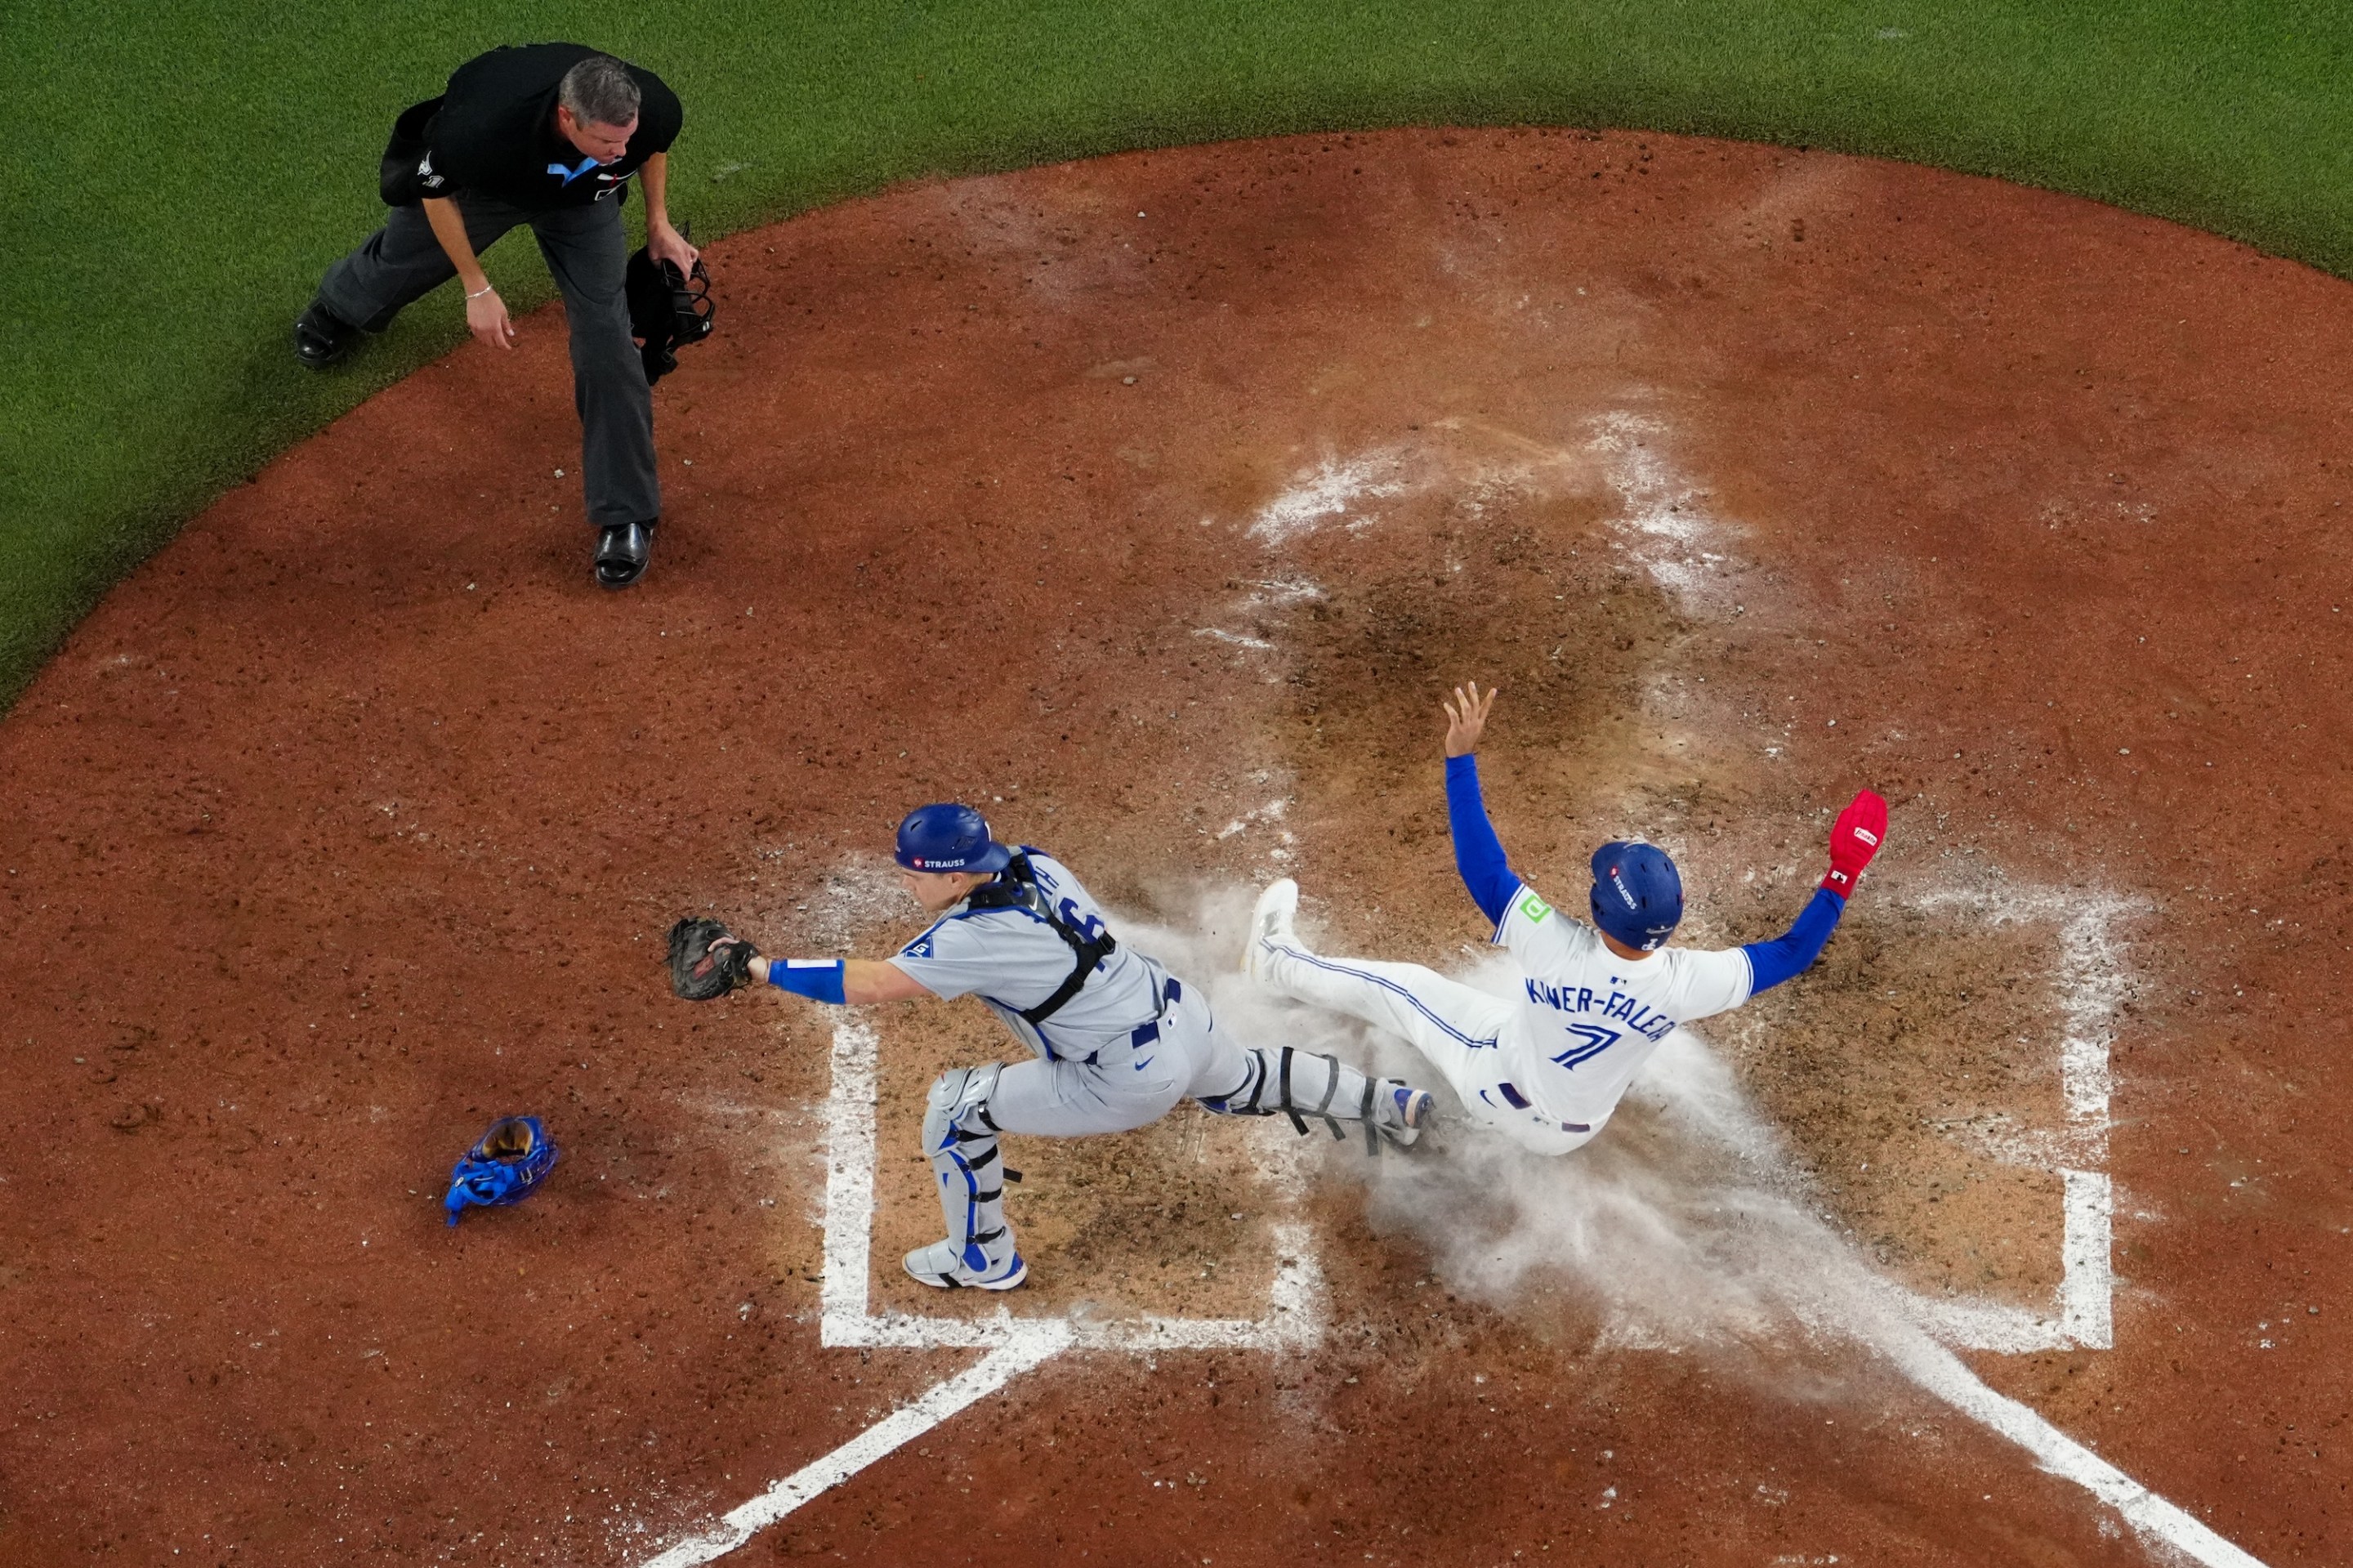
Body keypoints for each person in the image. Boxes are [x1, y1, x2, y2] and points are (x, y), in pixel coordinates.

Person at [690, 803, 1436, 1289]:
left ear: (948, 873)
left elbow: (876, 983)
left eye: (912, 872)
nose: (905, 882)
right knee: (1245, 1078)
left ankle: (982, 1257)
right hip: (1180, 1014)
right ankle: (1395, 1104)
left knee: (954, 1108)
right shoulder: (1037, 864)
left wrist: (756, 965)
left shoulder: (973, 937)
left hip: (1123, 1076)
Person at [1241, 682, 1888, 1155]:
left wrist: (1460, 759)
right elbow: (1792, 952)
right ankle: (1434, 1110)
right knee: (1510, 1020)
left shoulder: (1556, 946)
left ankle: (1273, 962)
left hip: (1499, 1085)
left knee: (1405, 991)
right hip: (1578, 1132)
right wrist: (1843, 874)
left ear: (1602, 909)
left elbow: (1483, 869)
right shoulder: (1686, 982)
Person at [294, 45, 695, 589]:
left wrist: (658, 222)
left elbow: (650, 148)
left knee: (608, 340)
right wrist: (475, 286)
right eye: (607, 141)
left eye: (626, 138)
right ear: (565, 117)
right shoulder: (481, 132)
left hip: (581, 204)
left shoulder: (648, 113)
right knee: (406, 258)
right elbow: (432, 191)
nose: (620, 150)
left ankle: (625, 513)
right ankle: (340, 305)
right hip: (486, 189)